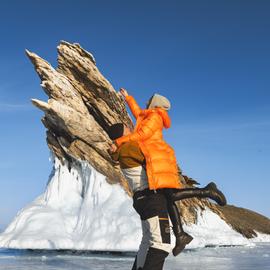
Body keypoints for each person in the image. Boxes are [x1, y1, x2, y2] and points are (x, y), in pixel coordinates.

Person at [108, 89, 226, 269]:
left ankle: (182, 232)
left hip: (142, 199)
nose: (131, 126)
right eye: (127, 128)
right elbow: (143, 137)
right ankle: (206, 193)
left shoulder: (122, 151)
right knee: (160, 245)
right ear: (123, 136)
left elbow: (138, 113)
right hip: (151, 198)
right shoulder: (130, 147)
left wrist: (128, 98)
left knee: (147, 242)